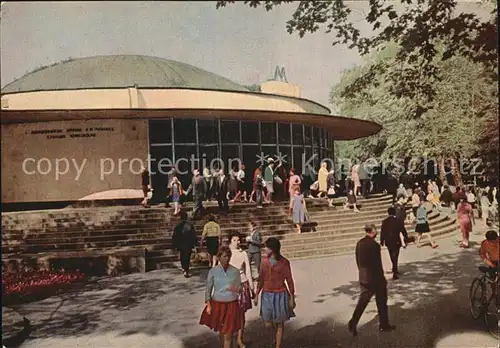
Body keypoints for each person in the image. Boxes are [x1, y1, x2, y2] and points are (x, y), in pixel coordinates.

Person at [348, 224, 395, 336]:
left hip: (364, 277)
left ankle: (353, 322)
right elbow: (377, 264)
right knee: (382, 301)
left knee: (362, 302)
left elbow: (358, 260)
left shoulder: (359, 243)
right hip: (375, 278)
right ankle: (384, 324)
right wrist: (382, 278)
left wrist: (362, 273)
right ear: (373, 232)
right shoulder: (374, 245)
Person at [254, 238, 295, 348]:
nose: (265, 249)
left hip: (280, 294)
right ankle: (277, 335)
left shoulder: (284, 262)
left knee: (280, 322)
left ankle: (278, 345)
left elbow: (289, 280)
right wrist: (257, 294)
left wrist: (292, 297)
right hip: (267, 294)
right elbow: (261, 279)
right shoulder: (264, 262)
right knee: (268, 322)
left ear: (272, 249)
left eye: (267, 247)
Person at [199, 246, 242, 348]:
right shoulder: (213, 271)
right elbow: (208, 289)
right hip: (218, 304)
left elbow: (240, 288)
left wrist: (234, 288)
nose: (226, 259)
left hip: (231, 304)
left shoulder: (235, 271)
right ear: (219, 257)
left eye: (228, 256)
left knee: (228, 333)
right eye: (224, 256)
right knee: (222, 331)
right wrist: (208, 305)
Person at [229, 232, 254, 348]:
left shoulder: (243, 253)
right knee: (230, 313)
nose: (237, 242)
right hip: (229, 285)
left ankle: (240, 338)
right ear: (230, 241)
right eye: (234, 240)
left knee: (241, 314)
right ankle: (229, 338)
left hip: (242, 283)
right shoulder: (226, 253)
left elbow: (248, 270)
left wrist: (252, 286)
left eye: (238, 240)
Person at [380, 207, 408, 280]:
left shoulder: (384, 221)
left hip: (388, 241)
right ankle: (395, 269)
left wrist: (382, 241)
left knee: (391, 254)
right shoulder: (398, 221)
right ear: (394, 213)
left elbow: (382, 232)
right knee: (396, 254)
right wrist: (406, 237)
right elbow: (403, 229)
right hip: (396, 240)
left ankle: (394, 267)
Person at [172, 211, 197, 277]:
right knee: (187, 257)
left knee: (182, 256)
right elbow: (193, 235)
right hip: (188, 244)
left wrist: (174, 244)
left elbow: (175, 236)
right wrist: (194, 244)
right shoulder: (190, 225)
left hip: (181, 244)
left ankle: (184, 268)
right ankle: (186, 269)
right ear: (186, 217)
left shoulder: (178, 226)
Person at [479, 230, 499, 299]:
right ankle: (494, 293)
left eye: (495, 241)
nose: (493, 243)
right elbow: (482, 255)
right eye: (491, 242)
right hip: (493, 262)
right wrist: (489, 263)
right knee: (493, 280)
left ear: (497, 238)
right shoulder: (485, 244)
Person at [245, 221, 262, 286]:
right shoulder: (250, 233)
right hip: (250, 251)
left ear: (253, 227)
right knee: (247, 263)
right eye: (248, 227)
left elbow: (259, 243)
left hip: (256, 251)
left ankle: (260, 278)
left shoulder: (257, 233)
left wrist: (252, 241)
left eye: (250, 226)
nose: (249, 228)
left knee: (258, 265)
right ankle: (249, 276)